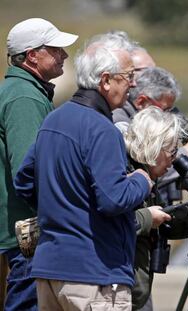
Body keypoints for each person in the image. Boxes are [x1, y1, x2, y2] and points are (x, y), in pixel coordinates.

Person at [13, 33, 170, 310]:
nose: (132, 84)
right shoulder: (102, 129)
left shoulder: (54, 118)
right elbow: (114, 199)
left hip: (49, 271)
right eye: (128, 76)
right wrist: (142, 180)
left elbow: (24, 181)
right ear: (106, 80)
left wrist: (62, 210)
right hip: (93, 275)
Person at [0, 18, 78, 311]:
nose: (64, 55)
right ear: (33, 55)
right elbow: (28, 169)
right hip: (26, 234)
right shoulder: (24, 97)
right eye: (56, 49)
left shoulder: (24, 91)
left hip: (19, 228)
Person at [123, 106, 182, 310]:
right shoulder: (126, 176)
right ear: (155, 147)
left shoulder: (147, 176)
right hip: (117, 292)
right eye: (172, 152)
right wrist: (148, 218)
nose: (174, 160)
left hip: (131, 293)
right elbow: (107, 221)